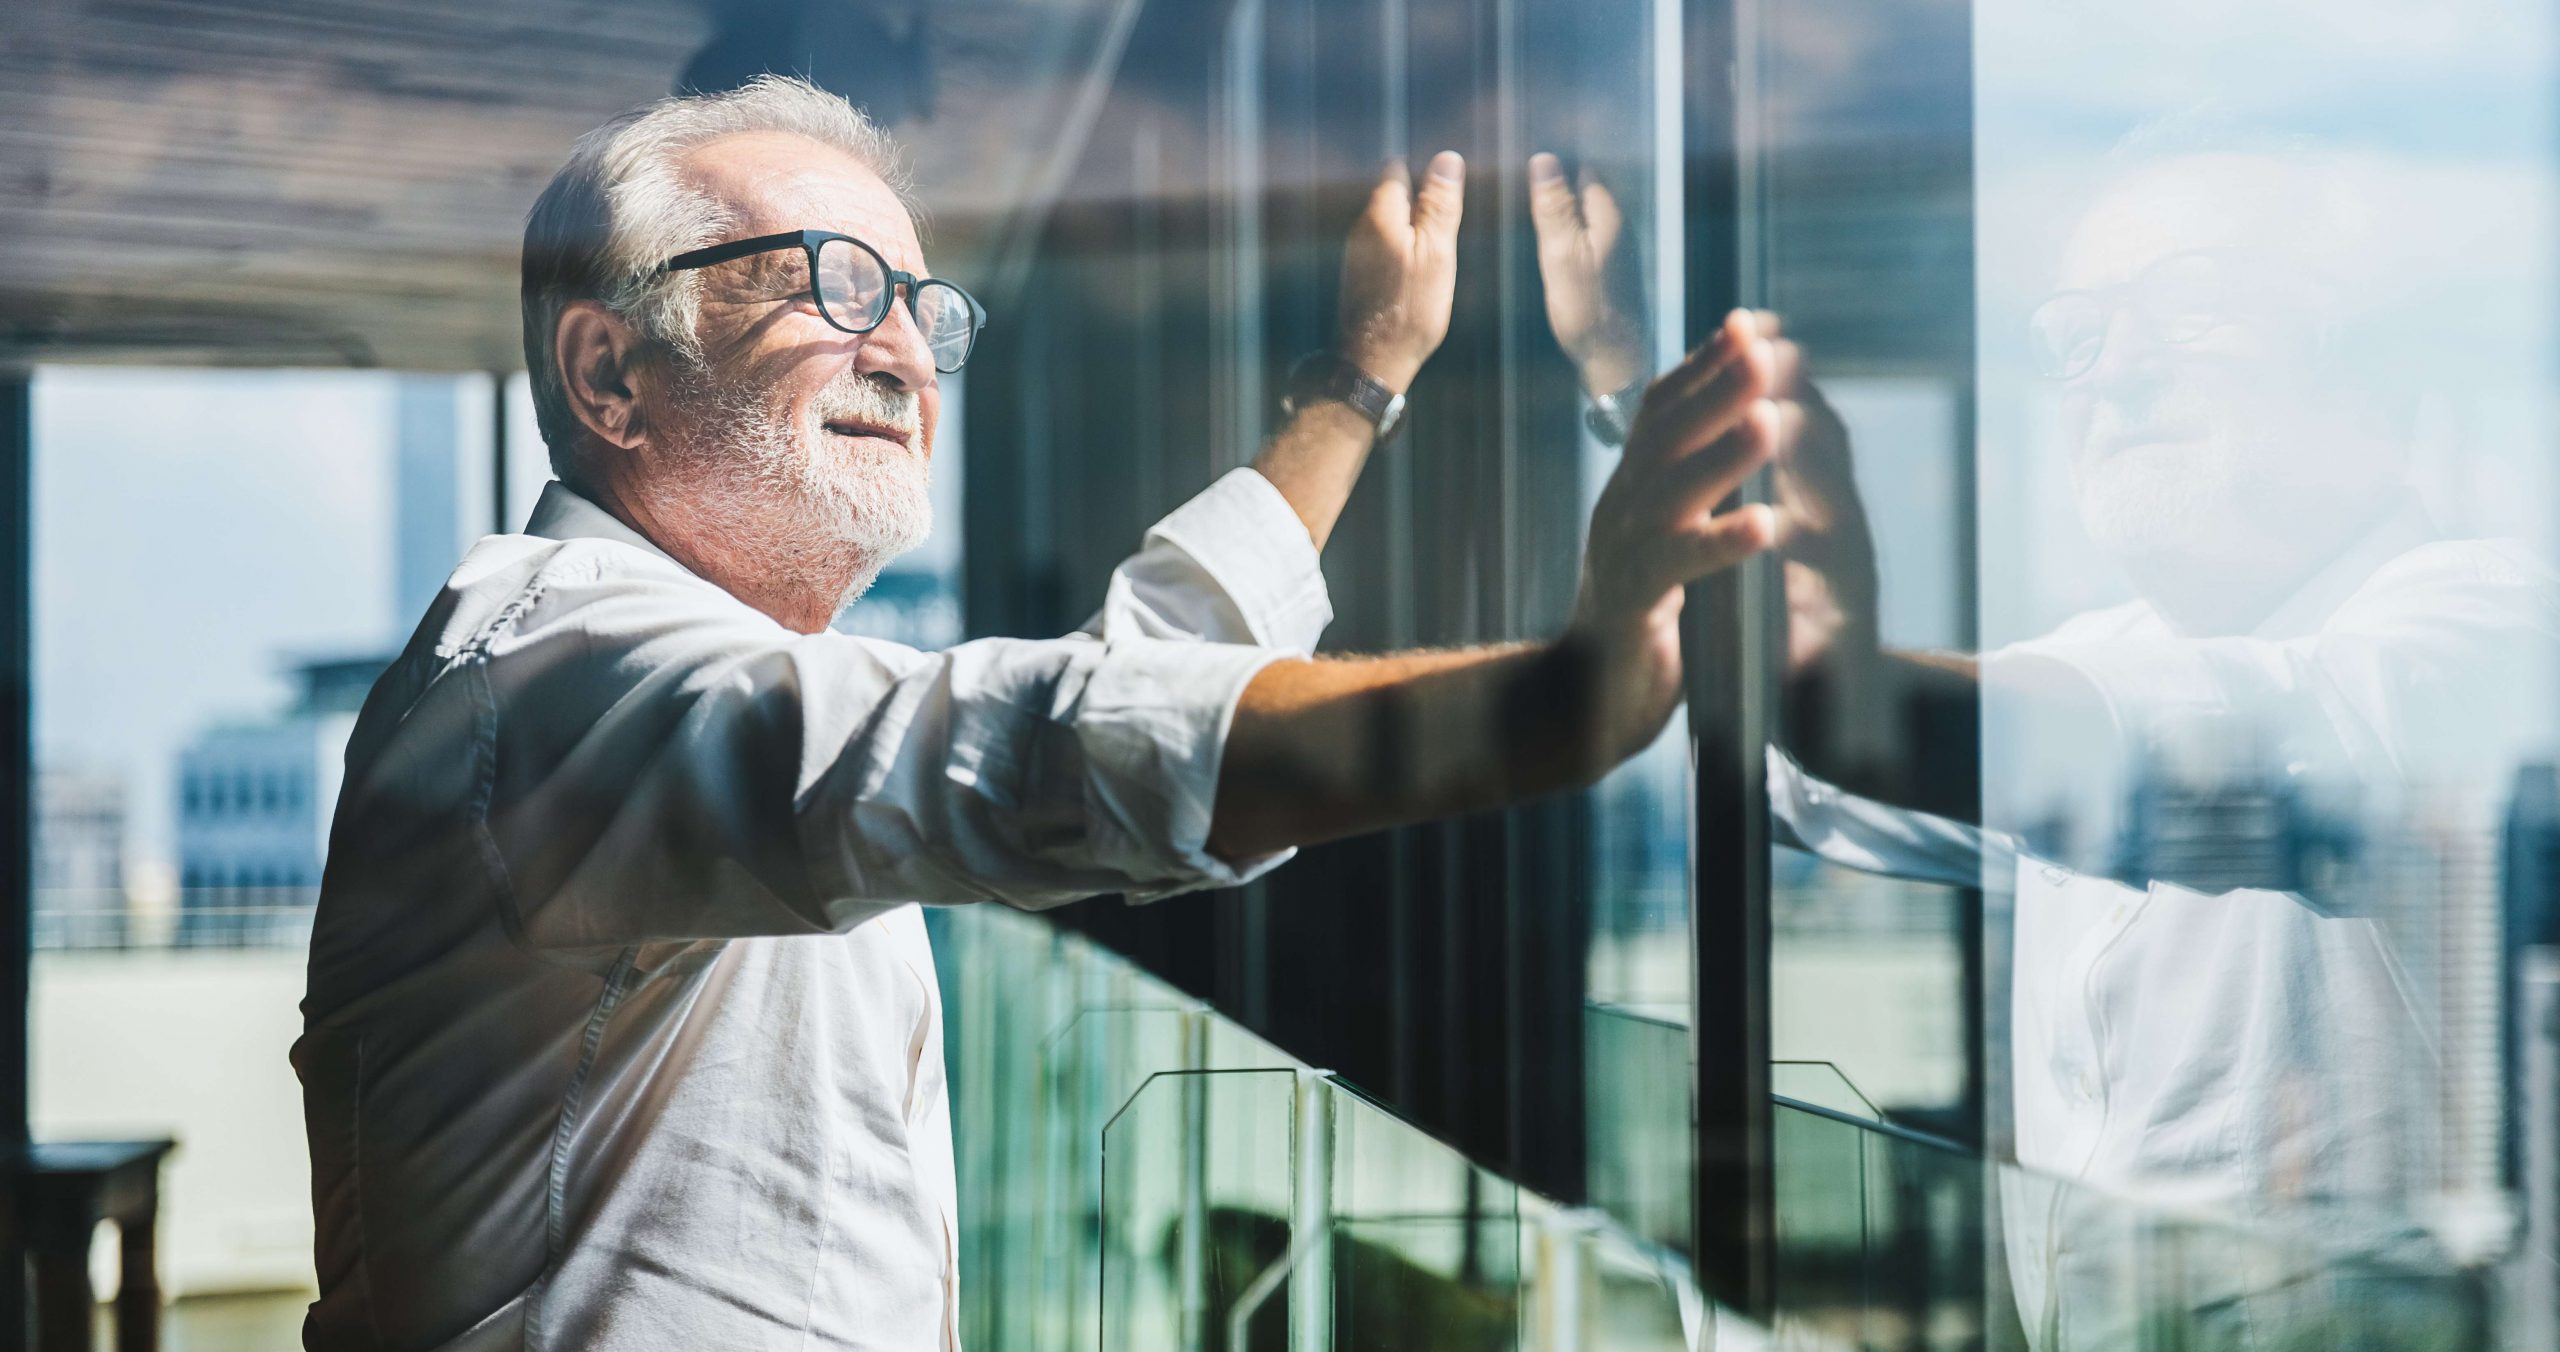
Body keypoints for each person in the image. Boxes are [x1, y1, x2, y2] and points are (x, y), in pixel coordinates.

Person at [294, 76, 1788, 1351]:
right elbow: (1040, 744)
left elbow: (1120, 678)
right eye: (832, 282)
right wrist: (1559, 696)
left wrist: (1358, 382)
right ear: (608, 370)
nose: (899, 350)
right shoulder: (549, 675)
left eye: (923, 308)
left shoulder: (698, 688)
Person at [1529, 124, 2560, 1346]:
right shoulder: (2099, 649)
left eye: (2187, 309)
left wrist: (1843, 677)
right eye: (2076, 336)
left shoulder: (2492, 611)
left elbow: (2231, 740)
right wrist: (1626, 379)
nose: (2110, 373)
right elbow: (1798, 778)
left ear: (2369, 364)